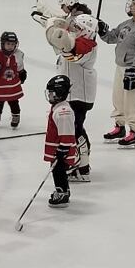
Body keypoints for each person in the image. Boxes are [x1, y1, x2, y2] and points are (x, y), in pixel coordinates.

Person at [51, 12, 98, 180]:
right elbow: (59, 45)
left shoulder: (88, 45)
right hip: (73, 94)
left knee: (76, 128)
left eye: (78, 27)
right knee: (75, 127)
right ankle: (80, 161)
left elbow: (70, 51)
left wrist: (56, 31)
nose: (74, 29)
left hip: (80, 95)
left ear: (86, 31)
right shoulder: (78, 40)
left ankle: (83, 165)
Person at [98, 0, 135, 148]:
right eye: (131, 3)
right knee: (118, 98)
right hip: (120, 67)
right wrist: (102, 31)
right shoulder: (127, 23)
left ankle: (134, 132)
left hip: (132, 69)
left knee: (131, 100)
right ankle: (119, 127)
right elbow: (113, 37)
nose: (131, 6)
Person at [43, 75, 78, 207]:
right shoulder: (59, 108)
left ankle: (62, 193)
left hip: (61, 150)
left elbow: (67, 134)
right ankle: (64, 190)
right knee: (58, 171)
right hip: (59, 149)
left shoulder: (63, 111)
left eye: (51, 93)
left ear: (58, 93)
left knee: (58, 171)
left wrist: (62, 149)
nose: (49, 95)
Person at [0, 32, 26, 127]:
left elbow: (19, 66)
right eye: (8, 44)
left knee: (14, 101)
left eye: (12, 44)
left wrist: (22, 73)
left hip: (13, 85)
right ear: (2, 44)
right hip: (0, 85)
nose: (10, 46)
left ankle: (16, 116)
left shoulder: (18, 54)